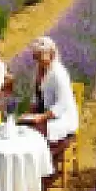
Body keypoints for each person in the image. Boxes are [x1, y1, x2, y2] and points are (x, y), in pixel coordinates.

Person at [21, 37, 79, 181]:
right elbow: (37, 95)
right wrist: (29, 113)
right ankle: (29, 169)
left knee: (36, 133)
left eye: (39, 55)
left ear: (51, 54)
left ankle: (46, 170)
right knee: (20, 127)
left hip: (61, 118)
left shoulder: (59, 74)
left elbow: (62, 104)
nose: (36, 58)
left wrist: (41, 117)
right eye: (35, 55)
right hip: (43, 113)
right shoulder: (40, 70)